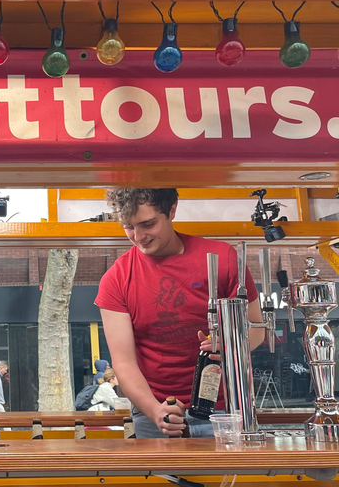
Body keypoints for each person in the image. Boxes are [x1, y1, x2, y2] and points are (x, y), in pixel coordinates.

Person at [95, 188, 264, 438]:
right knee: (165, 479)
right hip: (154, 413)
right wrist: (155, 412)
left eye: (148, 224)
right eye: (128, 227)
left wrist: (230, 345)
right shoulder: (116, 279)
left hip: (225, 411)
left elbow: (257, 329)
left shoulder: (223, 259)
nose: (138, 236)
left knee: (229, 479)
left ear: (172, 210)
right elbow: (124, 362)